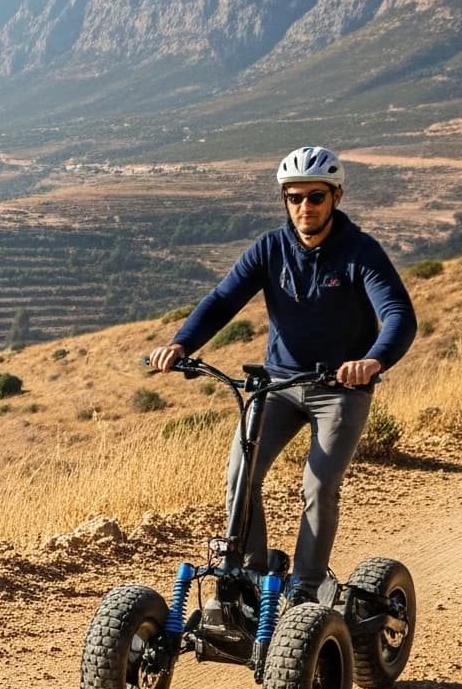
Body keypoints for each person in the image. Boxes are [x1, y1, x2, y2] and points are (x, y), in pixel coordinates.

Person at [149, 145, 416, 603]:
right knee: (240, 474)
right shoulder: (270, 249)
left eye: (316, 196)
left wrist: (372, 361)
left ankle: (306, 591)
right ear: (284, 200)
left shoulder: (360, 252)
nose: (304, 207)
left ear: (336, 196)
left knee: (317, 486)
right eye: (294, 197)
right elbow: (222, 300)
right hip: (279, 386)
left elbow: (397, 314)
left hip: (340, 390)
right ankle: (252, 582)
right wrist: (182, 343)